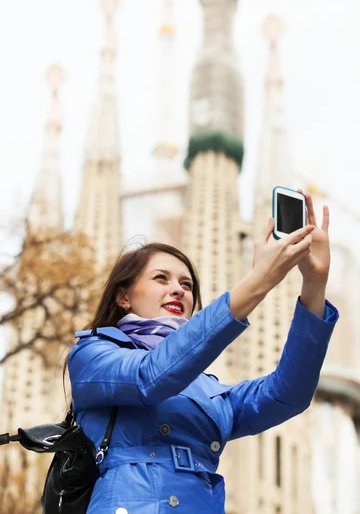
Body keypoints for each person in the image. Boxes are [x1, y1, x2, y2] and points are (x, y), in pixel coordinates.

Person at [68, 192, 338, 514]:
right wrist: (257, 282)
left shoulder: (209, 390)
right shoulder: (92, 353)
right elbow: (151, 376)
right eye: (160, 278)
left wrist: (314, 284)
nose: (179, 289)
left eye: (187, 284)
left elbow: (287, 394)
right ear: (123, 297)